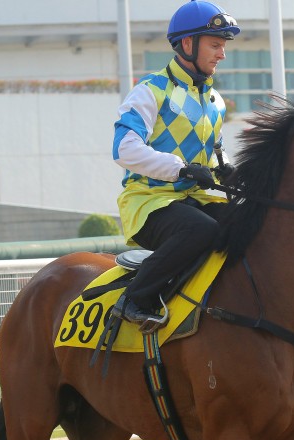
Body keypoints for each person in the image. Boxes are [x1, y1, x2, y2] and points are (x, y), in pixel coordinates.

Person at [111, 0, 239, 330]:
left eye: (223, 46)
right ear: (187, 44)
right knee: (201, 229)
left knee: (247, 221)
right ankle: (134, 299)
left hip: (193, 200)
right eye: (215, 45)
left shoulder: (215, 101)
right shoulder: (150, 91)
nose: (222, 54)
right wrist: (180, 168)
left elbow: (215, 152)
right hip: (148, 202)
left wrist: (226, 169)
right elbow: (123, 149)